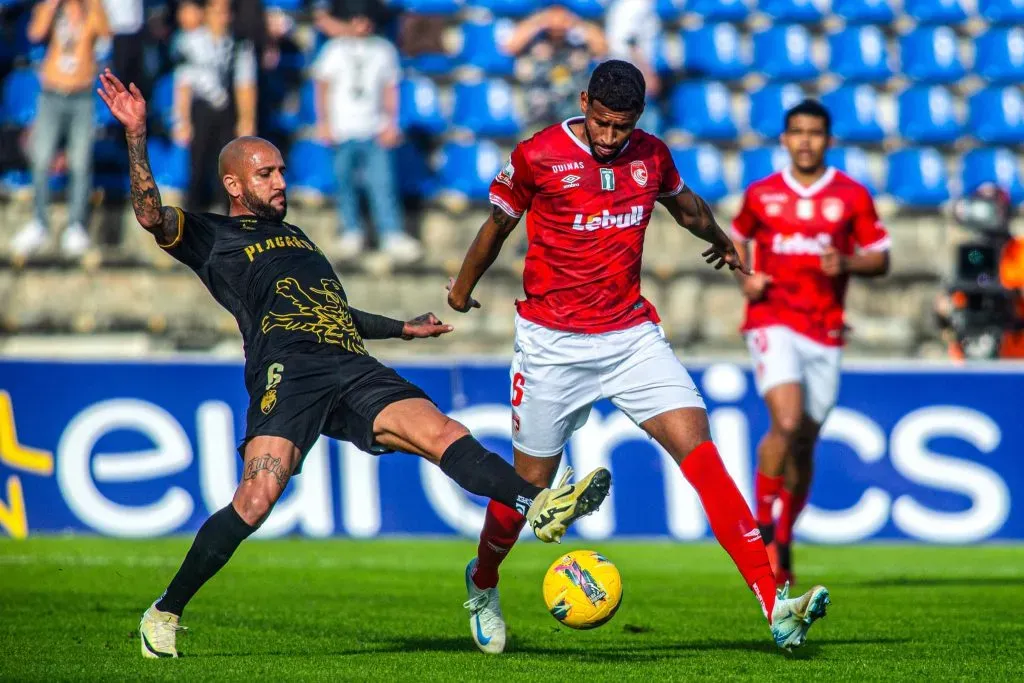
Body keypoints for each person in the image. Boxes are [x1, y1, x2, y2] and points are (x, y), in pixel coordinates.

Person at [95, 69, 612, 659]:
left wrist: (401, 328)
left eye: (283, 171)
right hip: (289, 373)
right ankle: (165, 610)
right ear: (236, 184)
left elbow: (334, 312)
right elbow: (149, 215)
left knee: (444, 432)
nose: (281, 181)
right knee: (257, 498)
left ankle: (538, 503)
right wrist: (137, 135)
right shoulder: (212, 236)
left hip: (352, 363)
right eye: (267, 174)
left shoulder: (298, 239)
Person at [446, 60, 830, 655]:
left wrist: (722, 241)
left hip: (630, 335)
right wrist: (462, 287)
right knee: (528, 486)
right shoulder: (538, 154)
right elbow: (497, 225)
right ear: (583, 103)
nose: (608, 138)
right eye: (600, 124)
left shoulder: (651, 155)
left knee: (701, 453)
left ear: (637, 121)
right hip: (551, 342)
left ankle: (775, 604)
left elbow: (688, 208)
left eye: (620, 128)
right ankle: (483, 581)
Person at [731, 100, 891, 587]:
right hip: (772, 319)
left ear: (828, 139)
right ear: (784, 139)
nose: (805, 140)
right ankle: (760, 528)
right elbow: (738, 239)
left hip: (825, 329)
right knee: (786, 418)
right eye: (796, 132)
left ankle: (784, 537)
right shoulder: (762, 194)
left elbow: (880, 258)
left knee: (803, 444)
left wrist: (847, 263)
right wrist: (746, 278)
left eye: (814, 133)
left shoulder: (850, 195)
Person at [311, 5, 423, 264]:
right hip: (342, 129)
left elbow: (390, 88)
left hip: (374, 128)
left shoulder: (384, 50)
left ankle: (390, 233)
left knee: (382, 183)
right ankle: (351, 231)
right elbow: (322, 86)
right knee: (344, 183)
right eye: (357, 18)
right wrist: (324, 122)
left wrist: (391, 123)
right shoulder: (334, 49)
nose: (362, 24)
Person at [11, 0, 111, 258]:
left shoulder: (92, 10)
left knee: (80, 162)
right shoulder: (52, 10)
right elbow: (35, 33)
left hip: (82, 97)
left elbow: (106, 33)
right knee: (41, 157)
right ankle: (39, 222)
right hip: (51, 94)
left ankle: (76, 226)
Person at [173, 0, 258, 212]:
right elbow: (184, 84)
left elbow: (245, 85)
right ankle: (193, 212)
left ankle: (225, 212)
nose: (221, 17)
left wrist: (247, 118)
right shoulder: (190, 42)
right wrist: (181, 119)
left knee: (228, 165)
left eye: (225, 12)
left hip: (227, 111)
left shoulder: (240, 46)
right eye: (216, 11)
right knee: (198, 164)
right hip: (201, 110)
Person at [503, 5, 607, 130]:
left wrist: (576, 23)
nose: (557, 27)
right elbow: (510, 47)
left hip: (572, 116)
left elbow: (602, 48)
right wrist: (539, 21)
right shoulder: (534, 41)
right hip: (537, 116)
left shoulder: (577, 42)